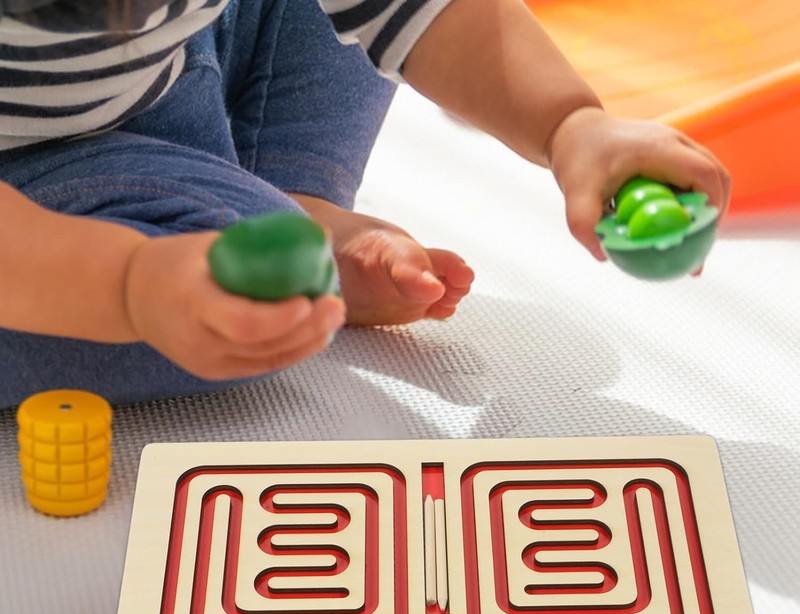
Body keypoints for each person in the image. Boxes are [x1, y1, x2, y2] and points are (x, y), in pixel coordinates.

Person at [0, 0, 730, 408]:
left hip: (170, 70)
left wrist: (572, 127)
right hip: (33, 193)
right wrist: (126, 284)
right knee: (244, 298)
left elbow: (429, 13)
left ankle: (300, 196)